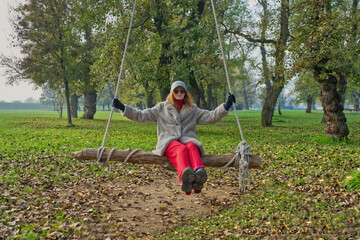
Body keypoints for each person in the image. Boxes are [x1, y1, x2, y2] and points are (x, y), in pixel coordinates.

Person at [112, 81, 235, 195]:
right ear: (172, 93)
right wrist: (123, 108)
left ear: (186, 93)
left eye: (182, 91)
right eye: (176, 91)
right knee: (181, 149)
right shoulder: (161, 108)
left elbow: (210, 116)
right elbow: (141, 115)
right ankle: (185, 177)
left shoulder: (193, 109)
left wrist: (226, 106)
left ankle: (199, 174)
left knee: (192, 146)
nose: (179, 93)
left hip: (187, 139)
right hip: (168, 141)